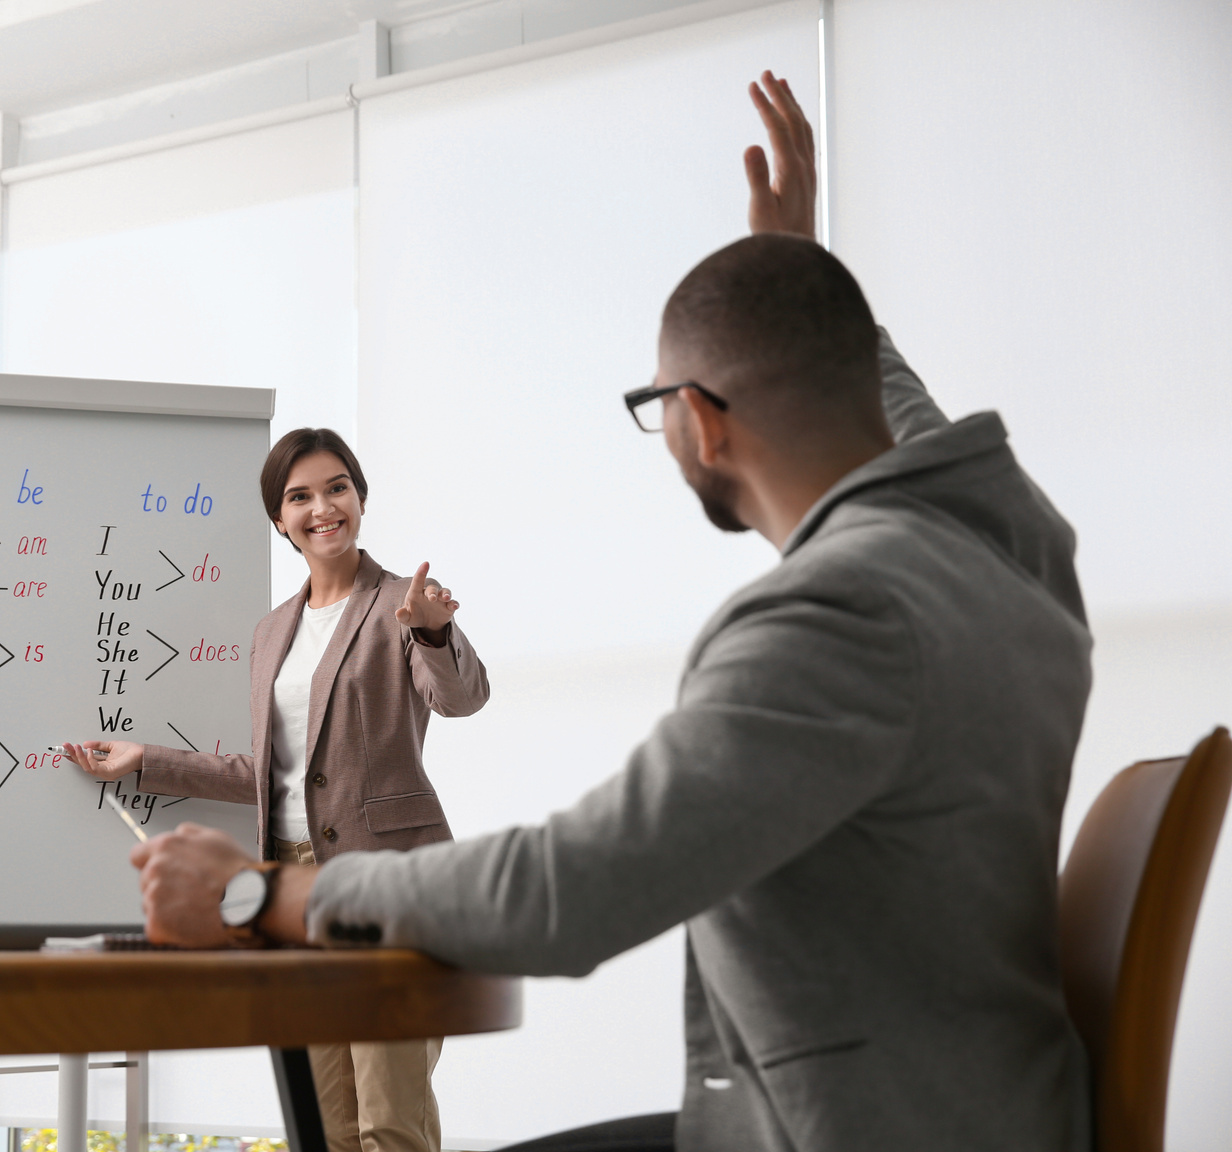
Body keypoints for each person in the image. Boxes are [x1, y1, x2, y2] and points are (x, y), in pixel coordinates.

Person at [122, 72, 1093, 1152]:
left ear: (702, 424)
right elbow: (897, 425)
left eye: (657, 406)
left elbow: (565, 890)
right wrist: (802, 280)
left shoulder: (832, 619)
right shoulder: (1008, 535)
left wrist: (261, 901)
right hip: (981, 1101)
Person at [62, 427, 489, 1152]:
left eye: (336, 488)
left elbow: (461, 700)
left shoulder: (403, 605)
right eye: (300, 496)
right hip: (289, 894)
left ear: (359, 497)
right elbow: (269, 774)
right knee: (323, 1124)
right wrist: (145, 760)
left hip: (384, 886)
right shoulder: (271, 633)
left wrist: (435, 634)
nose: (322, 507)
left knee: (392, 1117)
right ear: (278, 519)